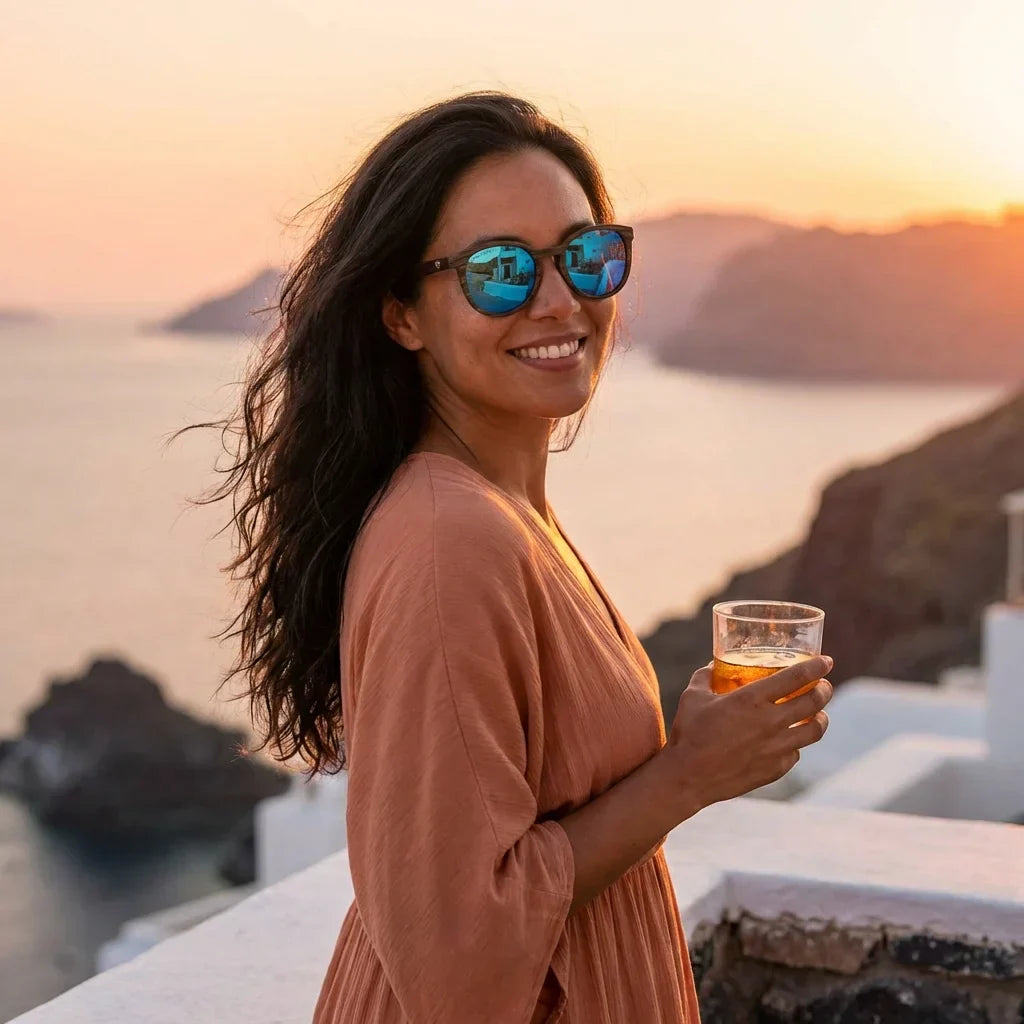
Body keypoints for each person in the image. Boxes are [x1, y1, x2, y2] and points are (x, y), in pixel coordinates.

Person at [207, 92, 835, 1023]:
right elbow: (458, 955)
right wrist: (688, 774)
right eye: (500, 270)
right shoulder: (447, 542)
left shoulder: (504, 515)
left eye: (585, 255)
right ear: (402, 315)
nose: (560, 299)